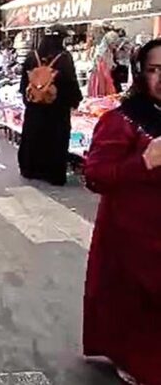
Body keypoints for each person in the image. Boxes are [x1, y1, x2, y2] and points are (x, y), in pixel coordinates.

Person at [82, 38, 161, 385]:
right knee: (135, 305)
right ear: (140, 74)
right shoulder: (122, 120)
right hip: (131, 234)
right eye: (155, 70)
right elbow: (95, 175)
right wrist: (143, 162)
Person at [18, 24, 83, 186]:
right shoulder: (64, 58)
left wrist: (31, 99)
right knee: (55, 140)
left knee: (33, 137)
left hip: (34, 110)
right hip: (57, 110)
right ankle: (52, 174)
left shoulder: (32, 56)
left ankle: (30, 169)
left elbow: (24, 84)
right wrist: (74, 101)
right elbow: (70, 84)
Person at [88, 31, 120, 97]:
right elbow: (102, 65)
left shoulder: (108, 51)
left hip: (104, 73)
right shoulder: (103, 52)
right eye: (113, 43)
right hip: (101, 75)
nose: (115, 46)